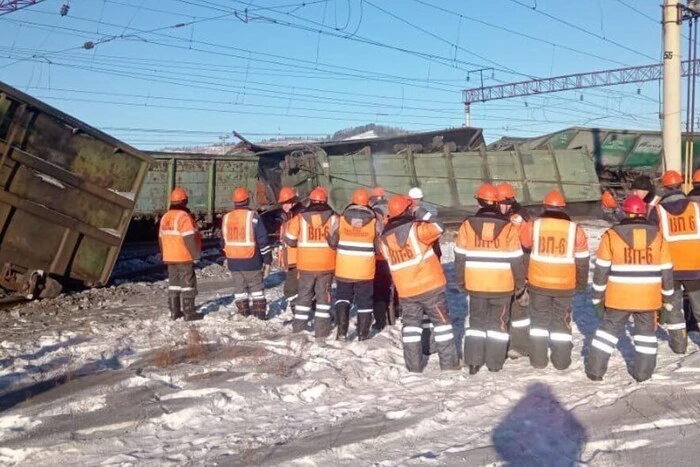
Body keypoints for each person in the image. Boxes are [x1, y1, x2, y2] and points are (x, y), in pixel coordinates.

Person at [586, 195, 674, 382]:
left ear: (625, 212)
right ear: (643, 212)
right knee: (646, 337)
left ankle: (595, 370)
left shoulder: (611, 236)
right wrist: (667, 300)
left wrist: (597, 297)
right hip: (648, 298)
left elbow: (601, 271)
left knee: (606, 333)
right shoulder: (658, 237)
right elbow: (667, 272)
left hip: (619, 297)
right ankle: (643, 374)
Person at [378, 195, 459, 372]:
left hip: (406, 292)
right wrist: (423, 213)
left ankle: (413, 367)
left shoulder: (383, 240)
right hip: (430, 287)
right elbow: (439, 227)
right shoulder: (417, 229)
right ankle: (449, 364)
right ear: (407, 210)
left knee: (411, 330)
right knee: (442, 325)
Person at [456, 184, 527, 374]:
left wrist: (461, 281)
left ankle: (473, 362)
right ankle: (495, 363)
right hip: (502, 286)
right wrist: (520, 285)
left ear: (478, 200)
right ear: (497, 203)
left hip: (476, 284)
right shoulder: (508, 228)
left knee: (476, 324)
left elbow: (460, 256)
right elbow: (516, 259)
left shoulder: (467, 225)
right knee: (499, 324)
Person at [520, 190, 589, 370]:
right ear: (564, 208)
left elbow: (525, 245)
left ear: (544, 206)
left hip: (538, 283)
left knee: (538, 322)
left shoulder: (533, 226)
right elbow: (582, 261)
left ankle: (538, 360)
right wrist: (580, 283)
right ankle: (561, 361)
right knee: (562, 322)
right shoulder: (575, 230)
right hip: (564, 286)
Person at [648, 170, 700, 354]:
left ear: (664, 187)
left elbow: (652, 240)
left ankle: (679, 346)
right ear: (681, 185)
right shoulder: (695, 208)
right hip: (695, 267)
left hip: (670, 269)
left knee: (674, 308)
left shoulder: (658, 211)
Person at [283, 187, 339, 337]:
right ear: (325, 200)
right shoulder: (334, 219)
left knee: (303, 298)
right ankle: (321, 331)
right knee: (323, 300)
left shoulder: (299, 218)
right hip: (326, 266)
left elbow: (289, 240)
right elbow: (335, 242)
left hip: (305, 266)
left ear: (311, 200)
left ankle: (299, 330)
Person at [328, 188, 381, 341]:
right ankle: (363, 335)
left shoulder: (341, 219)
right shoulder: (375, 222)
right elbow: (379, 246)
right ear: (367, 203)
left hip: (344, 267)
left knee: (343, 297)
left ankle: (342, 332)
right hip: (365, 269)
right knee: (365, 301)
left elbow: (332, 241)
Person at [221, 187, 272, 320]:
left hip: (233, 260)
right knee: (256, 287)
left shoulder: (226, 218)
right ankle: (259, 314)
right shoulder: (253, 217)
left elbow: (222, 241)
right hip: (251, 259)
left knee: (239, 288)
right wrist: (267, 260)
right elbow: (263, 239)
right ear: (247, 200)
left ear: (234, 202)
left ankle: (243, 313)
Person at [497, 182, 532, 358]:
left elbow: (527, 243)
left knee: (519, 308)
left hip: (518, 262)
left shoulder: (519, 218)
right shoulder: (504, 216)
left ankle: (520, 345)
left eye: (507, 202)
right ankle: (500, 346)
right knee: (501, 309)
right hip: (501, 265)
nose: (505, 206)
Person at [159, 187, 202, 321]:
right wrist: (195, 255)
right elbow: (189, 238)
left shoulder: (165, 217)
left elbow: (161, 238)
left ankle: (174, 312)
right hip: (183, 256)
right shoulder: (184, 217)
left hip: (170, 257)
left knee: (174, 284)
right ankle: (189, 313)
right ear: (184, 201)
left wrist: (163, 254)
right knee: (188, 284)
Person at [370, 186, 395, 329]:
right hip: (396, 254)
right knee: (394, 285)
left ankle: (380, 320)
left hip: (379, 255)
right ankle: (395, 314)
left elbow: (375, 234)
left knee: (379, 289)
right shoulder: (392, 209)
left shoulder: (374, 213)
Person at [278, 186, 301, 317]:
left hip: (297, 260)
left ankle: (300, 317)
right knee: (295, 291)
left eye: (287, 203)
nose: (284, 206)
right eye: (283, 203)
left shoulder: (297, 217)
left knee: (291, 290)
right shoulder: (288, 217)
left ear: (293, 202)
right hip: (291, 260)